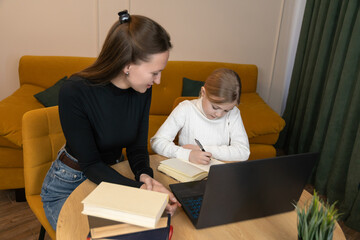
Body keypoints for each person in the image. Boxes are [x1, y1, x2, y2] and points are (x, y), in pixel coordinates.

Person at [40, 10, 180, 230]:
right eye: (154, 73)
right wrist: (142, 193)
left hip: (113, 175)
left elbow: (136, 148)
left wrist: (146, 178)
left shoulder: (142, 88)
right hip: (71, 184)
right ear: (127, 65)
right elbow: (91, 165)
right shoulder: (74, 91)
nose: (159, 80)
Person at [151, 68, 250, 165]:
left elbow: (243, 152)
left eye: (226, 110)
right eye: (215, 107)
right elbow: (157, 142)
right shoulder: (185, 109)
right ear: (203, 92)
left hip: (219, 174)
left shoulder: (234, 113)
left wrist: (201, 149)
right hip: (189, 172)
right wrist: (188, 155)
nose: (219, 114)